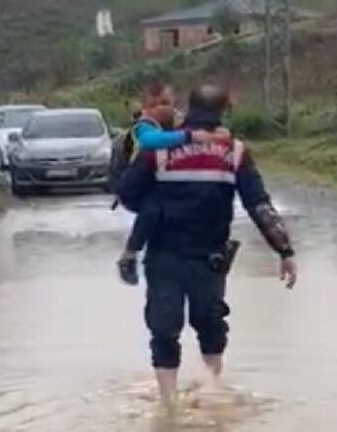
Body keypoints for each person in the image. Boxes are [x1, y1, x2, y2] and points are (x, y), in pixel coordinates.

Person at [116, 84, 298, 405]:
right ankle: (211, 391)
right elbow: (260, 206)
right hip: (209, 258)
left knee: (163, 328)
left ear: (188, 107)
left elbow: (127, 193)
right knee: (211, 325)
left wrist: (156, 203)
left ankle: (169, 406)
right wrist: (284, 251)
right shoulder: (234, 151)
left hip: (163, 255)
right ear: (224, 110)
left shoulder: (160, 148)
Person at [115, 82, 227, 285]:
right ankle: (130, 254)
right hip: (135, 186)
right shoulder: (143, 127)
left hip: (161, 179)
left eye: (166, 103)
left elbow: (204, 131)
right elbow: (152, 141)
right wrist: (189, 136)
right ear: (144, 108)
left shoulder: (178, 121)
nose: (162, 108)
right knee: (154, 205)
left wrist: (218, 132)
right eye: (154, 104)